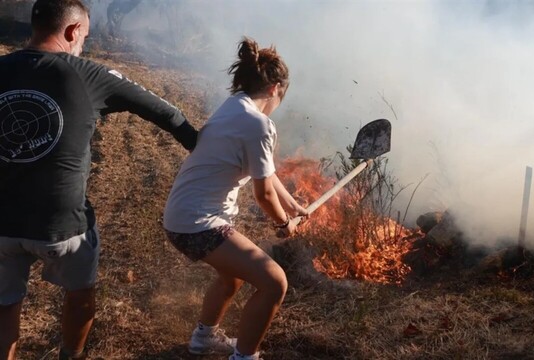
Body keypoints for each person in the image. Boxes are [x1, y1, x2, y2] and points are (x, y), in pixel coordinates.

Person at [0, 1, 199, 359]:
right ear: (73, 31)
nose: (84, 45)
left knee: (4, 302)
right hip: (62, 228)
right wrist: (200, 148)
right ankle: (70, 355)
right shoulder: (88, 74)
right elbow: (166, 113)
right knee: (80, 294)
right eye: (86, 37)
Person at [163, 37, 308, 360]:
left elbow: (266, 175)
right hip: (198, 223)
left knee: (233, 279)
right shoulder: (258, 124)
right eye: (280, 98)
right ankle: (244, 357)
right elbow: (263, 193)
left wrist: (294, 205)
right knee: (274, 283)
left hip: (181, 216)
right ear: (274, 89)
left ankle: (203, 338)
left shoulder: (233, 107)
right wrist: (284, 223)